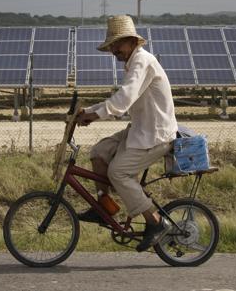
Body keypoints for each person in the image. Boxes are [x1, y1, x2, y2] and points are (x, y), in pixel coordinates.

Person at [76, 14, 178, 252]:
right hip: (140, 129)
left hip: (155, 134)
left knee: (119, 172)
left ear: (132, 41)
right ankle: (104, 206)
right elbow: (120, 101)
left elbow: (123, 99)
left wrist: (93, 115)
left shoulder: (142, 61)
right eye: (112, 45)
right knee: (99, 152)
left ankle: (155, 222)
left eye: (117, 43)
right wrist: (89, 111)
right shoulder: (133, 63)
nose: (114, 50)